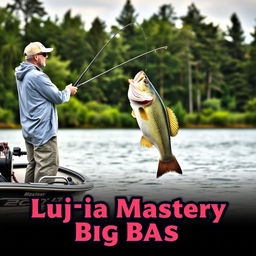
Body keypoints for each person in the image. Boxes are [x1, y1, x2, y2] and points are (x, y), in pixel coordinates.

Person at [15, 42, 77, 183]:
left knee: (33, 165)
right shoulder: (37, 76)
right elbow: (58, 98)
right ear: (36, 57)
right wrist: (68, 91)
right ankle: (40, 202)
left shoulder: (21, 74)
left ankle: (26, 200)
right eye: (44, 54)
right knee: (48, 167)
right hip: (43, 132)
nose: (46, 57)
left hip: (29, 130)